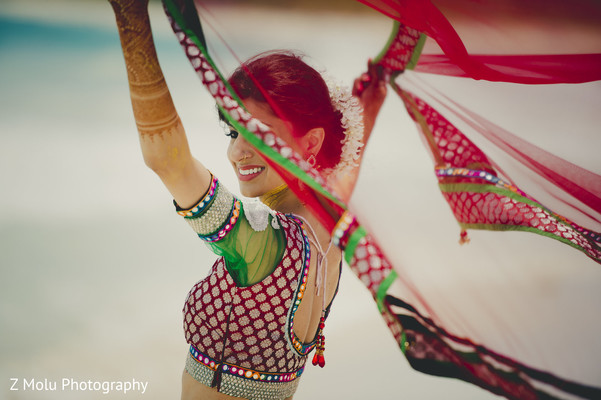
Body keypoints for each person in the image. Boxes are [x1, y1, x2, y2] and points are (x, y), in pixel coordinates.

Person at [107, 0, 386, 399]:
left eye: (258, 135)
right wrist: (375, 93)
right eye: (232, 133)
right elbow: (345, 165)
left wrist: (130, 17)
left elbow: (169, 163)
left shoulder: (265, 243)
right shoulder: (331, 223)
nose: (236, 153)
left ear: (311, 143)